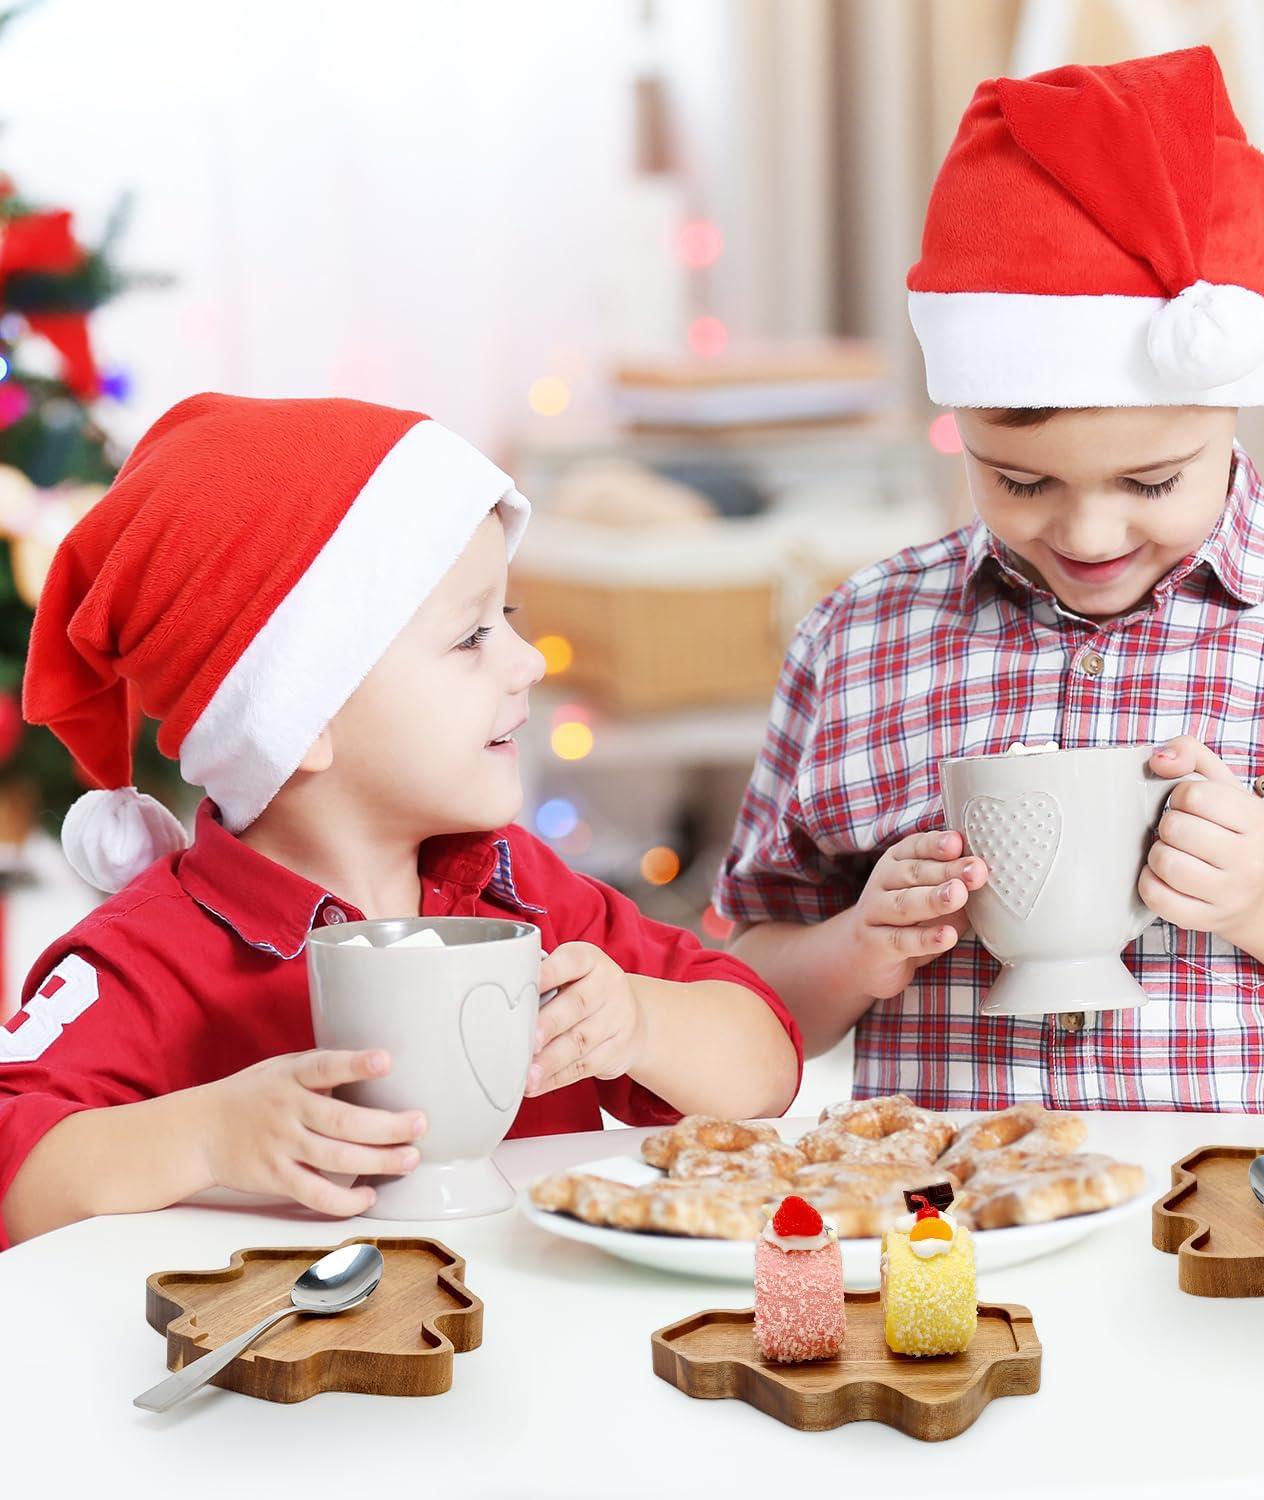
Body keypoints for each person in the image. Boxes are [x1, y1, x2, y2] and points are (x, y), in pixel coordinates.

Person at [714, 46, 1264, 1118]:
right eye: (1019, 479)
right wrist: (858, 947)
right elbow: (742, 997)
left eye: (1151, 479)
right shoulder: (859, 637)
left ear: (1229, 411)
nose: (1085, 530)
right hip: (954, 1259)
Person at [0, 393, 801, 1247]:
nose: (527, 662)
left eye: (510, 620)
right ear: (298, 719)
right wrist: (203, 1137)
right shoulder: (145, 958)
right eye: (470, 638)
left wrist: (640, 1022)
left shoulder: (522, 892)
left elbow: (768, 1067)